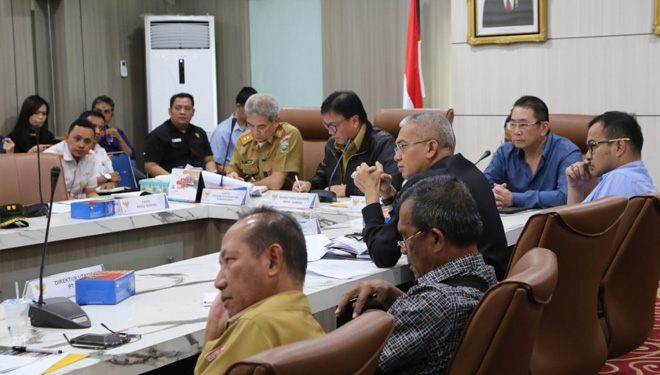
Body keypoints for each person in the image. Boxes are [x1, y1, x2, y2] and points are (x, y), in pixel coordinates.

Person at [336, 176, 498, 375]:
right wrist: (396, 297)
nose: (403, 249)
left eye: (405, 238)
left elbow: (354, 366)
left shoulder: (435, 305)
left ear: (436, 239)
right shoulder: (485, 276)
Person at [355, 112, 509, 280]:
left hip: (457, 289)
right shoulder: (468, 170)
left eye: (402, 146)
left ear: (430, 148)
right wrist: (388, 194)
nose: (396, 156)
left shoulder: (427, 183)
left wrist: (371, 194)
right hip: (490, 284)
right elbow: (408, 225)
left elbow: (382, 254)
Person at [195, 207, 324, 375]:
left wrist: (212, 330)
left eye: (229, 261)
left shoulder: (256, 325)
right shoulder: (304, 321)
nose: (218, 282)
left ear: (273, 260)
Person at [292, 91, 397, 197]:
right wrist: (309, 185)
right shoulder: (332, 143)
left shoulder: (382, 143)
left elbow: (392, 186)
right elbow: (322, 177)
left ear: (354, 121)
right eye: (326, 126)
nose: (330, 132)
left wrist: (348, 190)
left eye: (333, 126)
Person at [484, 95, 582, 209]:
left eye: (523, 125)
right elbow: (483, 187)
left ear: (543, 128)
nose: (516, 131)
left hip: (551, 222)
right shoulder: (505, 152)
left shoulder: (567, 152)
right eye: (513, 124)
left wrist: (514, 198)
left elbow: (566, 197)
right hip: (510, 223)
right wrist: (495, 194)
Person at [566, 111, 657, 204]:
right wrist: (575, 188)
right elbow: (574, 217)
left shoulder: (620, 179)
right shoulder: (633, 179)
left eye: (592, 146)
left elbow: (583, 219)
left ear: (619, 147)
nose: (587, 157)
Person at [225, 94, 303, 190]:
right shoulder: (243, 140)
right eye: (250, 125)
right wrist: (232, 176)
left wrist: (245, 185)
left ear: (276, 121)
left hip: (283, 200)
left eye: (261, 126)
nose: (255, 132)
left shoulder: (287, 136)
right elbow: (231, 173)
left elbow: (275, 183)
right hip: (250, 198)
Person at [144, 93, 215, 176]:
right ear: (170, 111)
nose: (182, 112)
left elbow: (209, 160)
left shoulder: (199, 132)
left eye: (187, 108)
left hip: (199, 181)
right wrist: (173, 179)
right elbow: (150, 166)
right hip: (171, 183)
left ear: (193, 112)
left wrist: (211, 177)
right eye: (178, 108)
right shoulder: (158, 135)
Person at [44, 119, 99, 199]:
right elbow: (46, 193)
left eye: (87, 141)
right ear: (66, 137)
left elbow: (90, 192)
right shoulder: (50, 156)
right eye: (77, 139)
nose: (81, 145)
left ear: (93, 144)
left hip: (77, 204)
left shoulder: (91, 156)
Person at [211, 86, 257, 173]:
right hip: (233, 176)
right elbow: (217, 165)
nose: (254, 114)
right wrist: (236, 172)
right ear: (239, 106)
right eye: (250, 110)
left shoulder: (256, 127)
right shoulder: (222, 131)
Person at [79, 110, 121, 190]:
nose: (97, 132)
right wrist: (107, 177)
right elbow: (80, 185)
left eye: (101, 128)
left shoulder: (101, 151)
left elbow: (114, 177)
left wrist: (112, 183)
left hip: (105, 194)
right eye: (93, 126)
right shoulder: (77, 151)